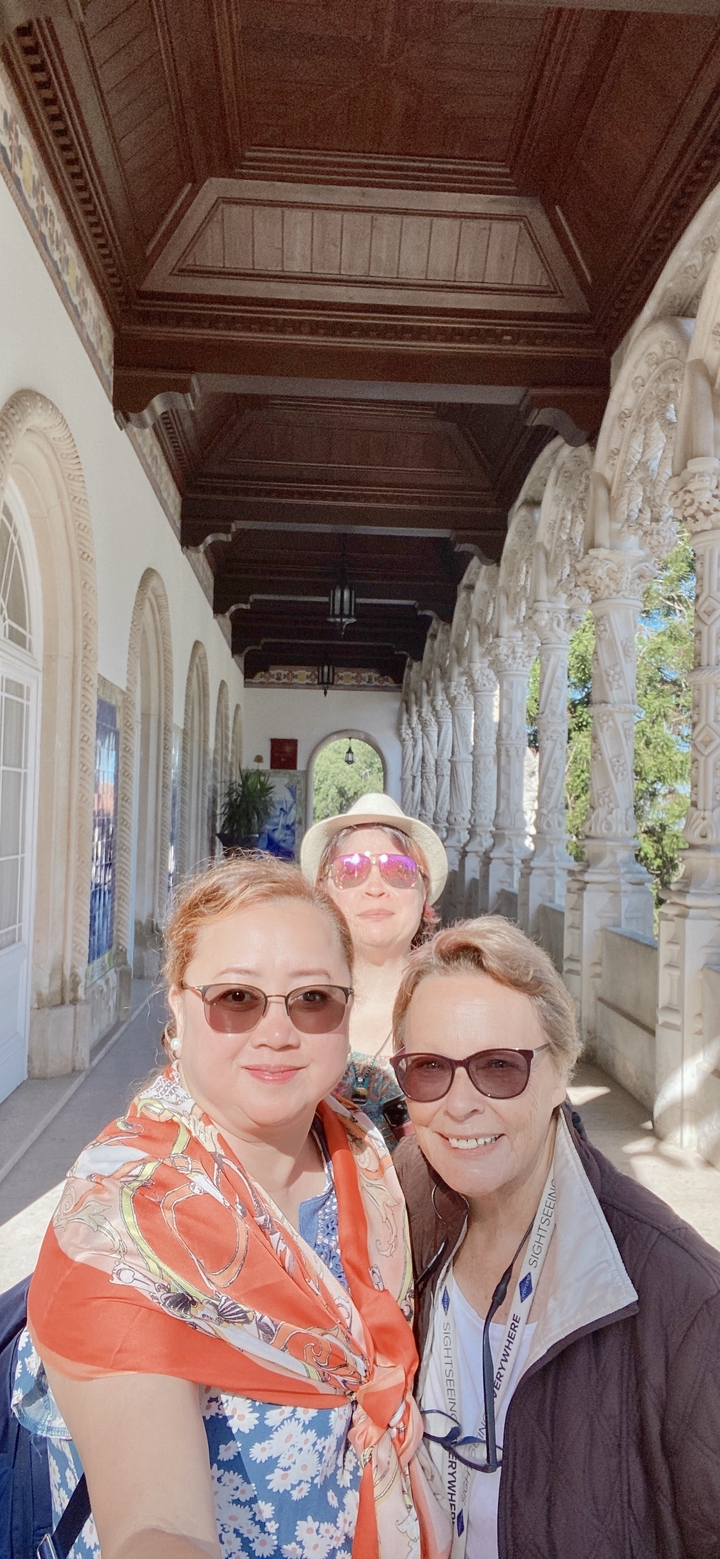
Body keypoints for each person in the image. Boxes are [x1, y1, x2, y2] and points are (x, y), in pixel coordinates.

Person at [13, 858, 449, 1559]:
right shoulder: (125, 1224)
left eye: (313, 999)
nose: (277, 1031)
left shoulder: (364, 1132)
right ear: (179, 1011)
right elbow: (159, 1524)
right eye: (237, 998)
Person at [389, 916, 720, 1559]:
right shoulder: (388, 1210)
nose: (460, 1104)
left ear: (560, 1072)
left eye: (499, 1067)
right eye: (430, 1069)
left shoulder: (682, 1298)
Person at [301, 793, 448, 1148]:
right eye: (351, 870)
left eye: (399, 871)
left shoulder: (455, 1008)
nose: (375, 887)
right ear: (324, 891)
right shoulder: (288, 1008)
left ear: (423, 894)